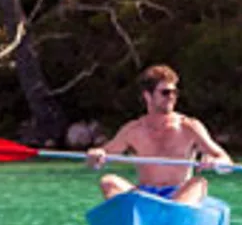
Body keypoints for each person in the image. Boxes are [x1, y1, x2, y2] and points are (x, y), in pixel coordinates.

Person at [87, 65, 233, 205]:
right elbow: (102, 156)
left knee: (199, 183)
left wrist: (217, 163)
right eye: (165, 92)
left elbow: (226, 161)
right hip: (145, 195)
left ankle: (172, 213)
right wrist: (96, 155)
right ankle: (138, 214)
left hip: (178, 194)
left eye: (174, 92)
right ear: (147, 96)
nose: (172, 97)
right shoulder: (133, 130)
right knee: (108, 181)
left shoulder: (189, 127)